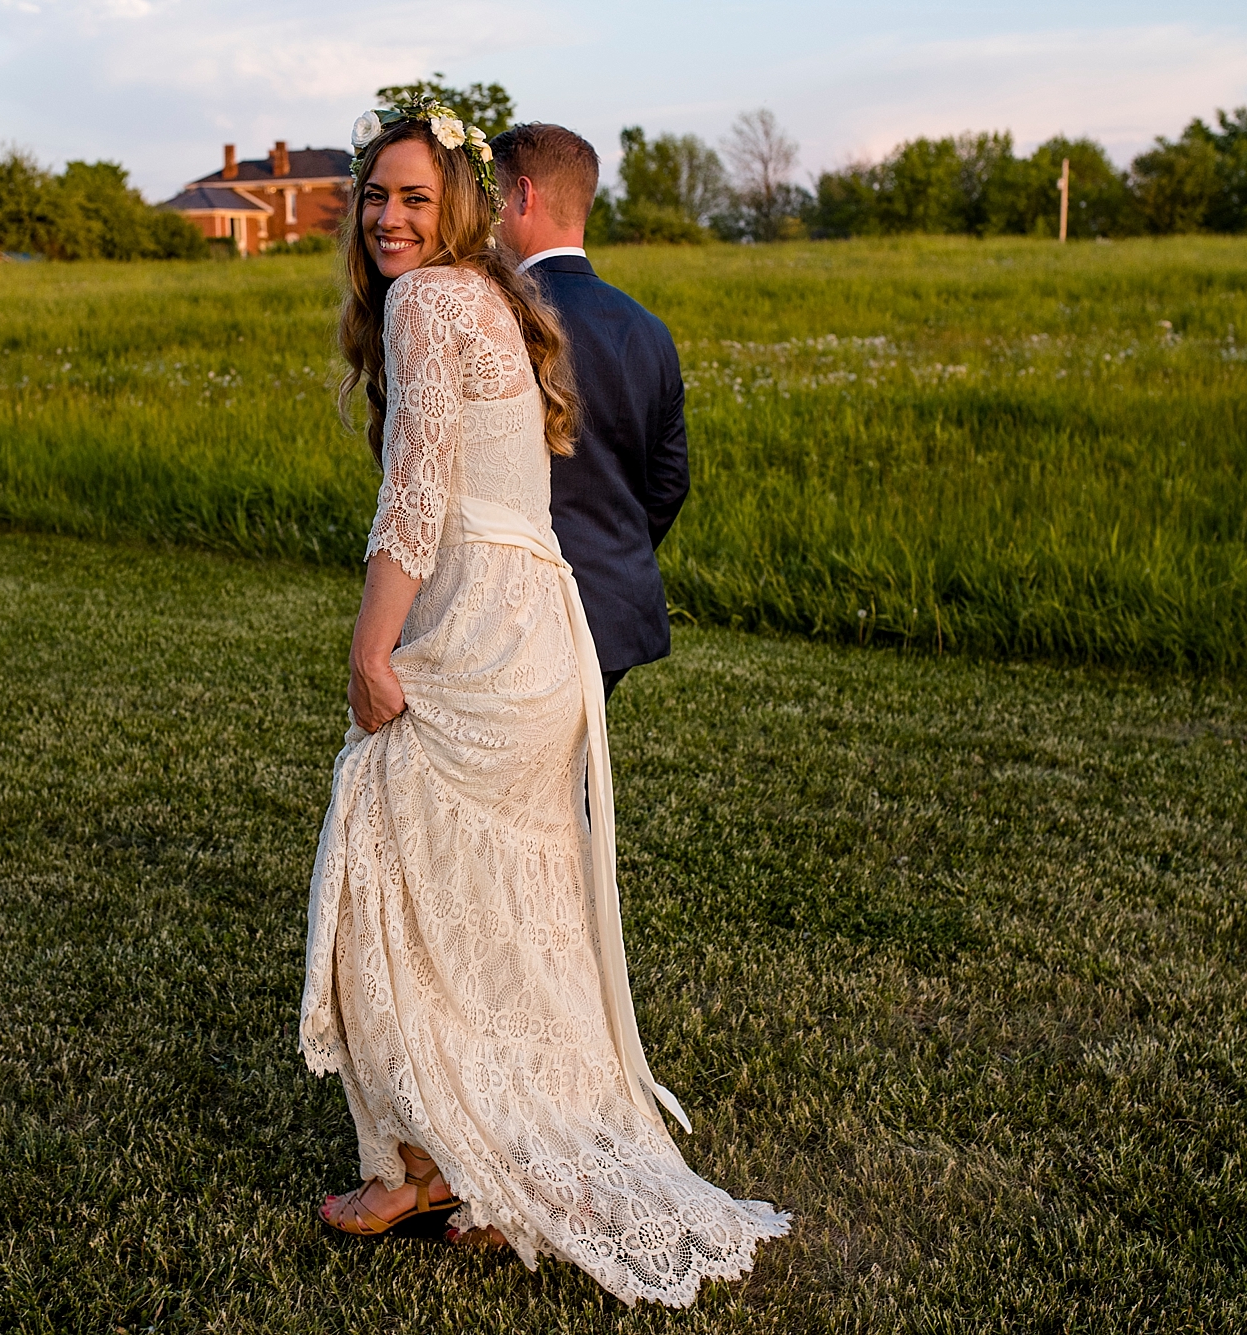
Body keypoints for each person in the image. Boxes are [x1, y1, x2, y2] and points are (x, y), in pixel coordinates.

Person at [298, 95, 788, 1309]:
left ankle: (424, 1167)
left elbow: (415, 497)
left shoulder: (428, 301)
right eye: (376, 196)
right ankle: (477, 1167)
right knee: (494, 910)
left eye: (415, 197)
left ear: (463, 201)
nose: (389, 218)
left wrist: (369, 646)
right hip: (539, 630)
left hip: (482, 632)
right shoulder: (492, 297)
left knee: (391, 872)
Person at [489, 123, 690, 700]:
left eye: (488, 198)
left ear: (523, 195)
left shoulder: (498, 316)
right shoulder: (648, 329)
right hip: (617, 608)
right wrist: (613, 554)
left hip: (514, 613)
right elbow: (669, 482)